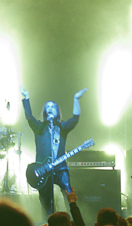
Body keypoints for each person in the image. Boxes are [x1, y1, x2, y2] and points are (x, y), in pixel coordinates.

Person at [21, 85, 87, 217]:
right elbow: (29, 117)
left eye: (53, 107)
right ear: (45, 111)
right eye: (48, 107)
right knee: (45, 202)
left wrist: (76, 99)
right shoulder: (39, 127)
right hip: (43, 169)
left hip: (60, 168)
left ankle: (73, 219)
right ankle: (47, 223)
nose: (50, 108)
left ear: (57, 112)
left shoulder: (62, 127)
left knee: (68, 191)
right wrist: (26, 98)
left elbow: (75, 119)